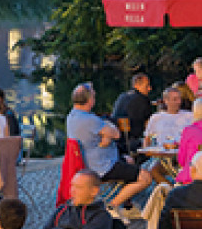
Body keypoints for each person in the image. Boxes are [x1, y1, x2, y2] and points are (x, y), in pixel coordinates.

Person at [63, 83, 151, 216]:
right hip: (103, 167)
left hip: (92, 163)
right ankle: (111, 206)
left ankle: (127, 206)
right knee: (146, 178)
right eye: (93, 95)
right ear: (90, 100)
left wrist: (106, 137)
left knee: (129, 160)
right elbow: (116, 134)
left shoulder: (72, 117)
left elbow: (107, 134)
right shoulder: (90, 120)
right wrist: (107, 133)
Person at [111, 71, 155, 147]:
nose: (150, 89)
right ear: (137, 85)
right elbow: (150, 124)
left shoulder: (122, 96)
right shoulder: (143, 99)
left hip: (118, 141)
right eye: (147, 86)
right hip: (133, 142)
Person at [143, 85, 193, 150]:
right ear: (166, 101)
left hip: (183, 153)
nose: (179, 102)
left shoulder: (189, 116)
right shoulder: (156, 117)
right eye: (175, 99)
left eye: (179, 99)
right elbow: (147, 139)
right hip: (161, 154)